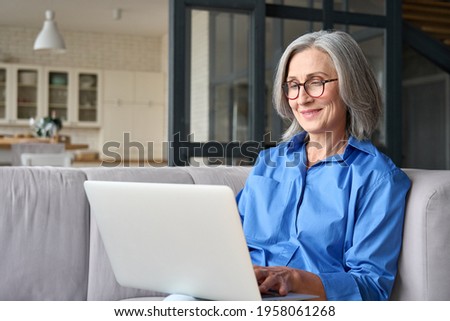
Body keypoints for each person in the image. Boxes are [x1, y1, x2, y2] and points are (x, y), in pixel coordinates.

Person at [236, 30, 411, 301]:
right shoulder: (268, 163)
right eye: (292, 85)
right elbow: (227, 237)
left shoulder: (377, 179)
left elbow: (371, 288)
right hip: (240, 290)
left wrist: (293, 278)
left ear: (350, 85)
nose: (302, 98)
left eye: (316, 82)